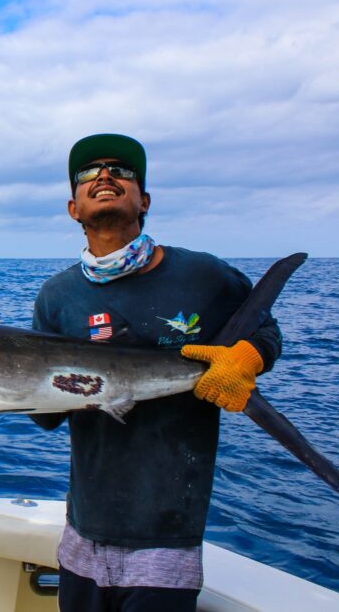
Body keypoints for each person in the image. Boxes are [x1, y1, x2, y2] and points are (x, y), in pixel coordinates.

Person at [20, 133, 282, 611]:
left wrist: (248, 356)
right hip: (84, 531)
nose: (104, 176)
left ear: (145, 200)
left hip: (169, 537)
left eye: (121, 171)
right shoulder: (57, 296)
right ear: (72, 208)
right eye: (88, 174)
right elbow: (45, 415)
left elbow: (266, 331)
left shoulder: (204, 275)